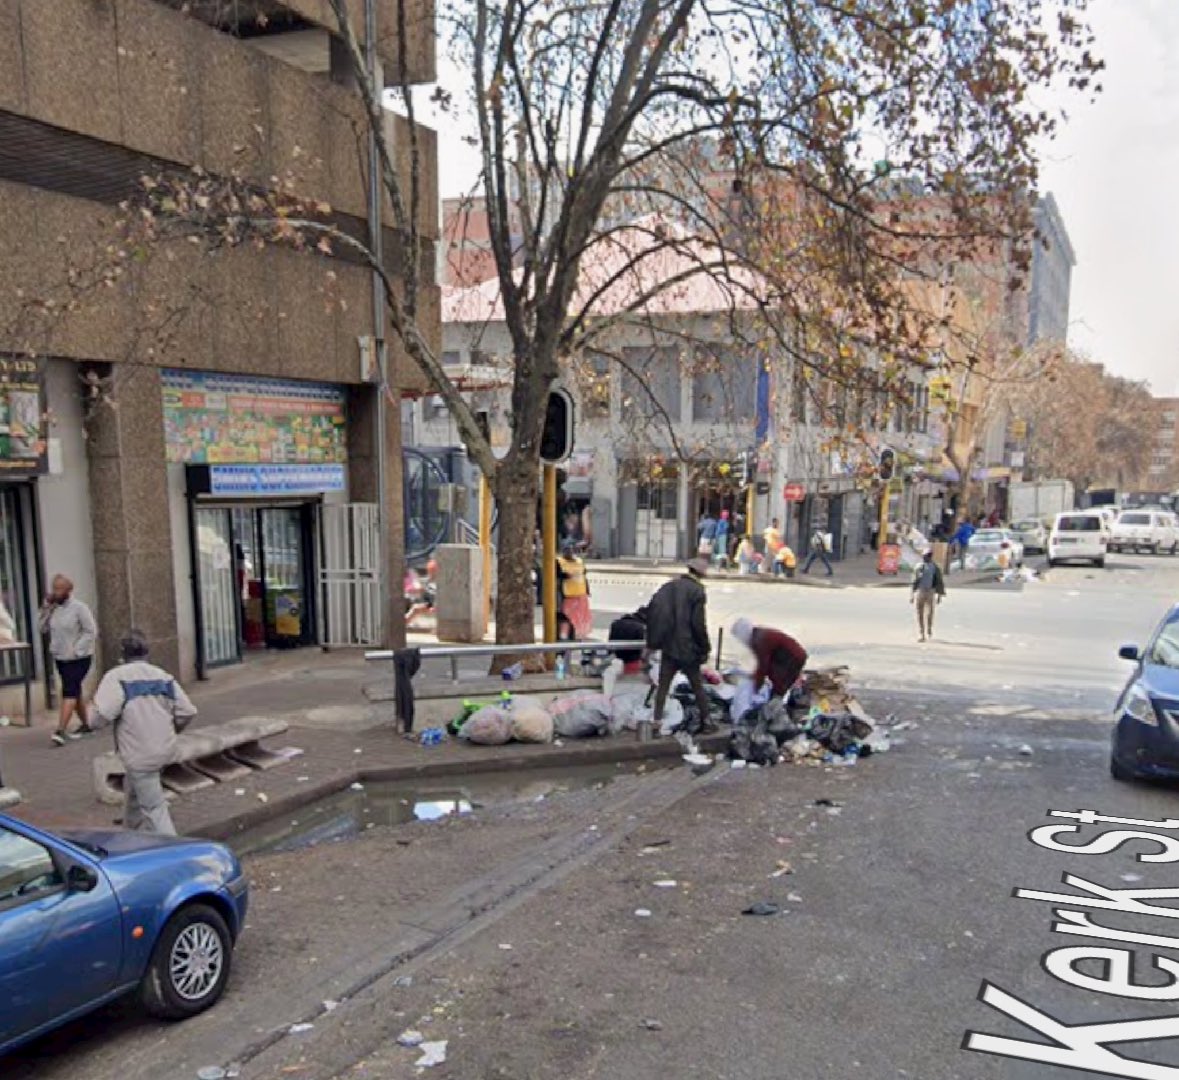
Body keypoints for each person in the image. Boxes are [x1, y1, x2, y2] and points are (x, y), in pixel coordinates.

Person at [90, 629, 196, 835]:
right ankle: (130, 833)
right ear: (147, 652)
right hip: (164, 748)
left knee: (154, 808)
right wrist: (173, 730)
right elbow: (188, 711)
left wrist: (90, 717)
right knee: (134, 792)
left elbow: (101, 716)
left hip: (139, 752)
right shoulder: (163, 676)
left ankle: (171, 847)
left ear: (122, 654)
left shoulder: (117, 677)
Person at [645, 558, 714, 734]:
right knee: (697, 686)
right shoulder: (697, 591)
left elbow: (654, 611)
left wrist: (654, 642)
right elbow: (698, 624)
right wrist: (705, 647)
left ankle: (656, 723)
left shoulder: (669, 586)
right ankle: (707, 721)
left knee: (663, 686)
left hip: (669, 646)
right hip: (688, 648)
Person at [39, 574, 97, 747]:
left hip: (79, 657)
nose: (55, 592)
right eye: (54, 588)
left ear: (68, 590)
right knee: (74, 689)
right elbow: (42, 629)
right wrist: (45, 610)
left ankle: (60, 730)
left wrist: (77, 649)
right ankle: (86, 725)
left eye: (59, 589)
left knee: (69, 691)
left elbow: (91, 631)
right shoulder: (54, 609)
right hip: (60, 656)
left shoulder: (80, 608)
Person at [730, 618, 808, 700]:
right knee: (777, 681)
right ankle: (777, 700)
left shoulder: (759, 639)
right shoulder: (759, 634)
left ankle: (776, 701)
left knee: (778, 681)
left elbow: (763, 665)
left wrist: (755, 688)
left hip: (791, 657)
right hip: (795, 656)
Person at [556, 545, 592, 640]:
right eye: (567, 551)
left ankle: (579, 634)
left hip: (581, 593)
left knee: (581, 616)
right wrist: (566, 575)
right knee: (567, 616)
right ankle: (565, 634)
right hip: (567, 595)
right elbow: (557, 575)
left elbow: (584, 576)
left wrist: (587, 590)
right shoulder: (559, 562)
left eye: (571, 551)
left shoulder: (579, 561)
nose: (570, 553)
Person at [911, 549, 946, 642]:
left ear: (930, 556)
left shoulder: (935, 567)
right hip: (921, 591)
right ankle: (921, 633)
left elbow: (939, 582)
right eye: (924, 556)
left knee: (930, 612)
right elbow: (914, 581)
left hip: (931, 591)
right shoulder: (919, 567)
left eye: (926, 556)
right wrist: (912, 594)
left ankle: (929, 628)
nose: (924, 557)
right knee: (919, 612)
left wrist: (939, 596)